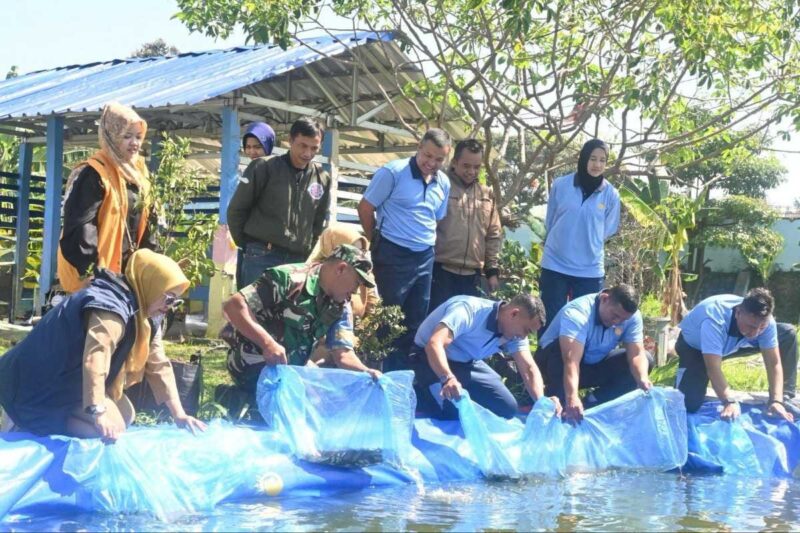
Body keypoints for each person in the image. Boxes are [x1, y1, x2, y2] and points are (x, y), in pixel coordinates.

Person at [0, 249, 206, 440]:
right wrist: (97, 412)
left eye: (175, 301)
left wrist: (179, 414)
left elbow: (159, 364)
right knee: (106, 430)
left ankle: (46, 419)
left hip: (66, 379)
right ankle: (26, 424)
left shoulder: (145, 314)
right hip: (32, 382)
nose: (169, 307)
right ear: (150, 285)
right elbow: (95, 358)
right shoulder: (110, 308)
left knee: (125, 414)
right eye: (168, 299)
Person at [223, 244, 380, 400]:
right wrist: (267, 344)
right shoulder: (289, 279)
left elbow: (343, 354)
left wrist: (366, 372)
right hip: (254, 362)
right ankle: (240, 400)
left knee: (327, 397)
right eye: (357, 282)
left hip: (292, 368)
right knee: (286, 404)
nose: (355, 291)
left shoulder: (341, 305)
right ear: (341, 269)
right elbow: (234, 305)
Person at [357, 129, 452, 370]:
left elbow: (436, 217)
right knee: (386, 318)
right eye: (427, 155)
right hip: (392, 253)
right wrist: (374, 241)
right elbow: (365, 207)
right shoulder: (393, 172)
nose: (431, 163)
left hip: (424, 256)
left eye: (439, 159)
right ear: (419, 147)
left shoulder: (443, 182)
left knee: (415, 321)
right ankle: (375, 370)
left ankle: (400, 375)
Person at [57, 102, 158, 293]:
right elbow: (81, 227)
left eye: (138, 136)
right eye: (127, 136)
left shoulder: (140, 175)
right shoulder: (94, 173)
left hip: (128, 277)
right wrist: (92, 272)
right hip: (96, 279)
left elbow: (149, 224)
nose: (135, 143)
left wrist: (148, 267)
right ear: (111, 136)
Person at [412, 293, 559, 420]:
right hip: (428, 358)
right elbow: (434, 344)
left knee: (507, 409)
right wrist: (448, 378)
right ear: (514, 314)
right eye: (526, 330)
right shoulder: (469, 309)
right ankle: (420, 387)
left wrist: (541, 401)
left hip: (467, 362)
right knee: (451, 413)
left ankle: (451, 389)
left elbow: (528, 368)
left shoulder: (515, 333)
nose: (524, 337)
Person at [227, 117, 330, 288]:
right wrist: (250, 246)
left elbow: (318, 223)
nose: (307, 153)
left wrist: (306, 251)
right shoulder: (263, 167)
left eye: (314, 148)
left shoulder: (322, 178)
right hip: (261, 257)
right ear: (290, 141)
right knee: (253, 305)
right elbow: (236, 210)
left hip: (297, 262)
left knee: (289, 307)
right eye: (303, 146)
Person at [534, 284, 653, 423]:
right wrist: (572, 397)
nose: (617, 322)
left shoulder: (631, 317)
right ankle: (560, 398)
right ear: (604, 299)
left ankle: (593, 402)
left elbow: (636, 354)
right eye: (615, 316)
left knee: (646, 360)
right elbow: (571, 361)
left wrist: (642, 380)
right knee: (563, 354)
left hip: (591, 363)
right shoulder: (578, 312)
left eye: (623, 320)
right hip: (556, 364)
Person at [675, 288, 796, 422]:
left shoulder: (766, 322)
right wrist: (729, 401)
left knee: (787, 333)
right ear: (738, 312)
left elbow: (773, 363)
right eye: (751, 326)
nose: (755, 333)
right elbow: (713, 368)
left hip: (734, 344)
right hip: (696, 348)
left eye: (761, 327)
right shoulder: (714, 319)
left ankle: (783, 397)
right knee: (688, 404)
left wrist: (776, 400)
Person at [538, 139, 620, 335]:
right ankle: (546, 355)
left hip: (589, 270)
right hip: (555, 265)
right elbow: (551, 220)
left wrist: (588, 239)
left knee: (583, 324)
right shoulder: (561, 185)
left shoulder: (611, 194)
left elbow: (608, 229)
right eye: (592, 158)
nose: (597, 164)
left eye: (602, 160)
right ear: (583, 158)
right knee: (549, 321)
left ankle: (576, 357)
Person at [429, 139, 503, 311]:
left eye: (476, 167)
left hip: (472, 276)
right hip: (441, 272)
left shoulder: (486, 194)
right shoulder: (440, 187)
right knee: (436, 321)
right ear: (455, 162)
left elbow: (493, 235)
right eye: (466, 166)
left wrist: (492, 272)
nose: (471, 171)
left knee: (466, 324)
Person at [305, 224, 381, 366]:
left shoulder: (364, 278)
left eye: (362, 251)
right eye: (353, 249)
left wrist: (358, 336)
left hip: (350, 340)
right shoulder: (306, 279)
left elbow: (373, 310)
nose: (358, 255)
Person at [235, 122, 277, 290]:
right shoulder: (256, 169)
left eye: (258, 147)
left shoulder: (269, 170)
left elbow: (237, 210)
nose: (252, 152)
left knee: (251, 298)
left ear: (268, 146)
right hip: (252, 245)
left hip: (258, 247)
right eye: (248, 147)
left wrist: (244, 241)